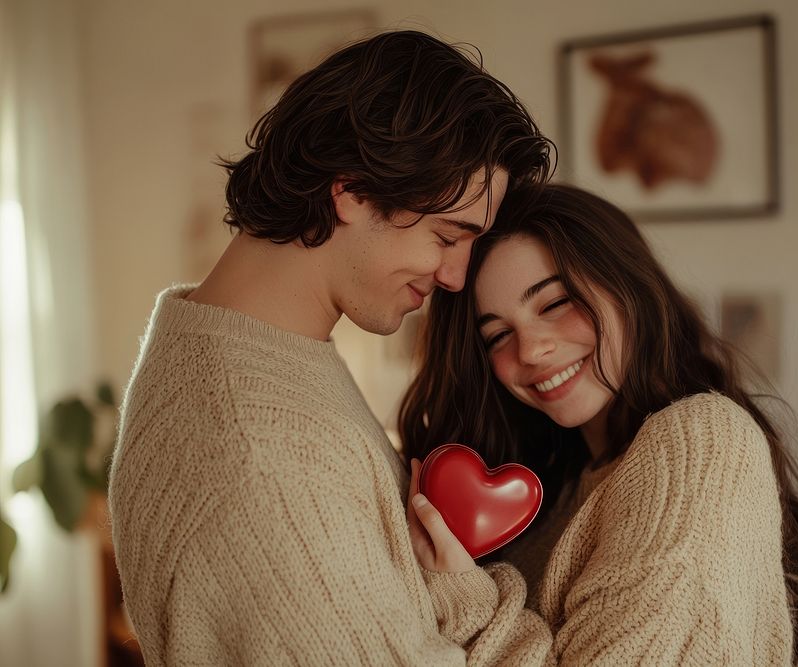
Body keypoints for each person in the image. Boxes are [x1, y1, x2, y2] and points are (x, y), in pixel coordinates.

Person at [109, 31, 557, 666]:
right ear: (351, 192)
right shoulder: (266, 456)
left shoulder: (235, 352)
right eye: (447, 235)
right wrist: (482, 610)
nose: (456, 277)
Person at [400, 183, 798, 666]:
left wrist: (464, 598)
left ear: (627, 287)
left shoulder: (699, 440)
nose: (529, 351)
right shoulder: (563, 482)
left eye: (555, 304)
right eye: (499, 334)